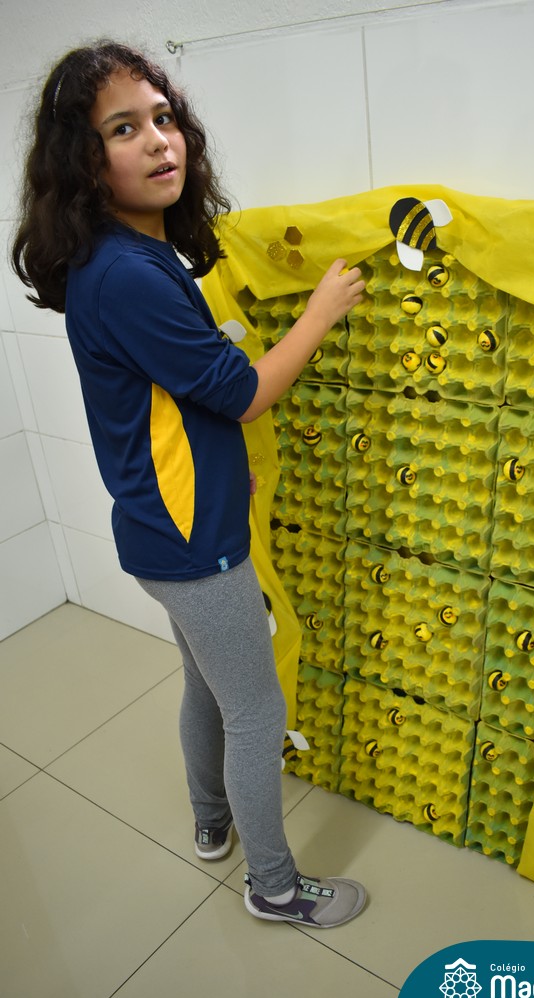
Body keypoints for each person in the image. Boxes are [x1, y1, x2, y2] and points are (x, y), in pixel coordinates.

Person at [12, 41, 366, 928]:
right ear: (83, 159)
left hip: (161, 530)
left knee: (206, 686)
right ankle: (274, 887)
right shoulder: (128, 275)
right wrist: (319, 313)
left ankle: (213, 824)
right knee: (255, 710)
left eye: (163, 118)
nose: (157, 141)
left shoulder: (128, 255)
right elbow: (241, 394)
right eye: (122, 129)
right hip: (190, 544)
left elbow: (178, 403)